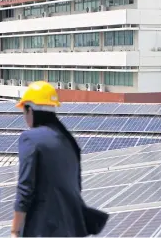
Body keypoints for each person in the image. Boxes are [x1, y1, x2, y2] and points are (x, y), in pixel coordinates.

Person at [10, 81, 109, 237]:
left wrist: (14, 230)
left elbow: (25, 188)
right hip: (71, 228)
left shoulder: (29, 138)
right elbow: (77, 186)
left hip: (42, 230)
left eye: (23, 110)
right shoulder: (68, 140)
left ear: (30, 110)